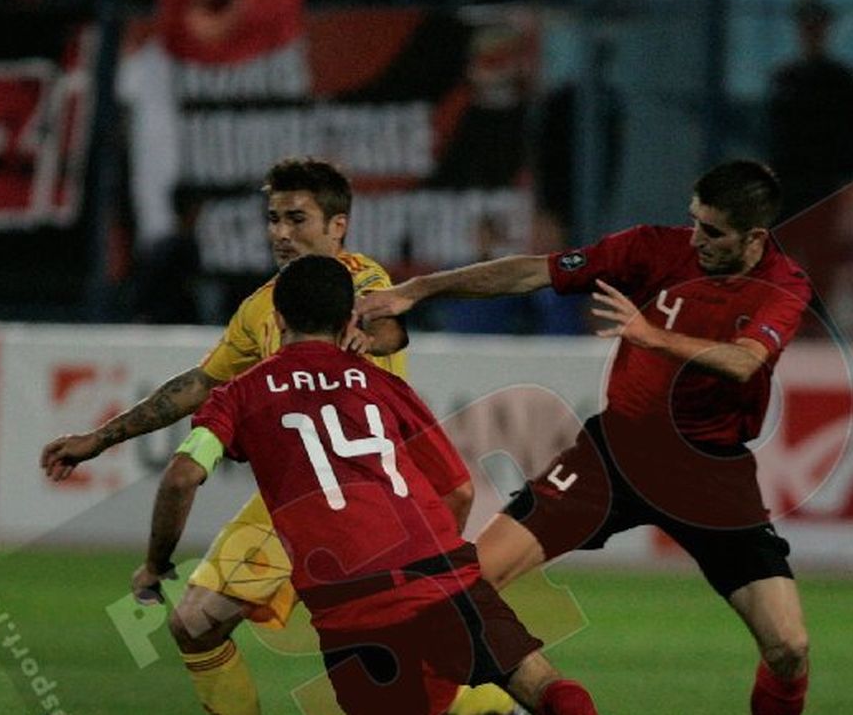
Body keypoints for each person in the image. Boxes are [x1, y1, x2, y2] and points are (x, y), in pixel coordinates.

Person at [41, 157, 516, 715]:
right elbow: (200, 383)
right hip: (291, 501)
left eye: (297, 219)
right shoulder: (262, 307)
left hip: (368, 500)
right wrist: (100, 438)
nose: (281, 233)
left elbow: (389, 326)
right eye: (273, 219)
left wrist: (368, 334)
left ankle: (489, 706)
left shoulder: (361, 280)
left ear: (337, 227)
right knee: (195, 623)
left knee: (390, 674)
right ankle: (494, 705)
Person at [358, 160, 814, 715]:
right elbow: (534, 272)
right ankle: (539, 703)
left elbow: (745, 362)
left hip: (711, 474)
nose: (696, 239)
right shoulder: (653, 248)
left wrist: (652, 336)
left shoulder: (783, 286)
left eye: (712, 231)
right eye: (693, 221)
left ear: (756, 237)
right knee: (463, 589)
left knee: (789, 648)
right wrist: (421, 288)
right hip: (614, 457)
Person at [131, 255, 598, 715]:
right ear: (347, 321)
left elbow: (181, 477)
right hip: (443, 583)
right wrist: (441, 572)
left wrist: (156, 564)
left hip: (352, 609)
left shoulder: (239, 394)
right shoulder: (381, 383)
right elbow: (458, 490)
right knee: (544, 686)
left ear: (277, 318)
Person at [766, 0, 853, 222]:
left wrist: (850, 177)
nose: (812, 33)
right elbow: (775, 134)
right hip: (791, 184)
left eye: (816, 27)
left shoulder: (841, 80)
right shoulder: (785, 79)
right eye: (807, 27)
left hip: (828, 183)